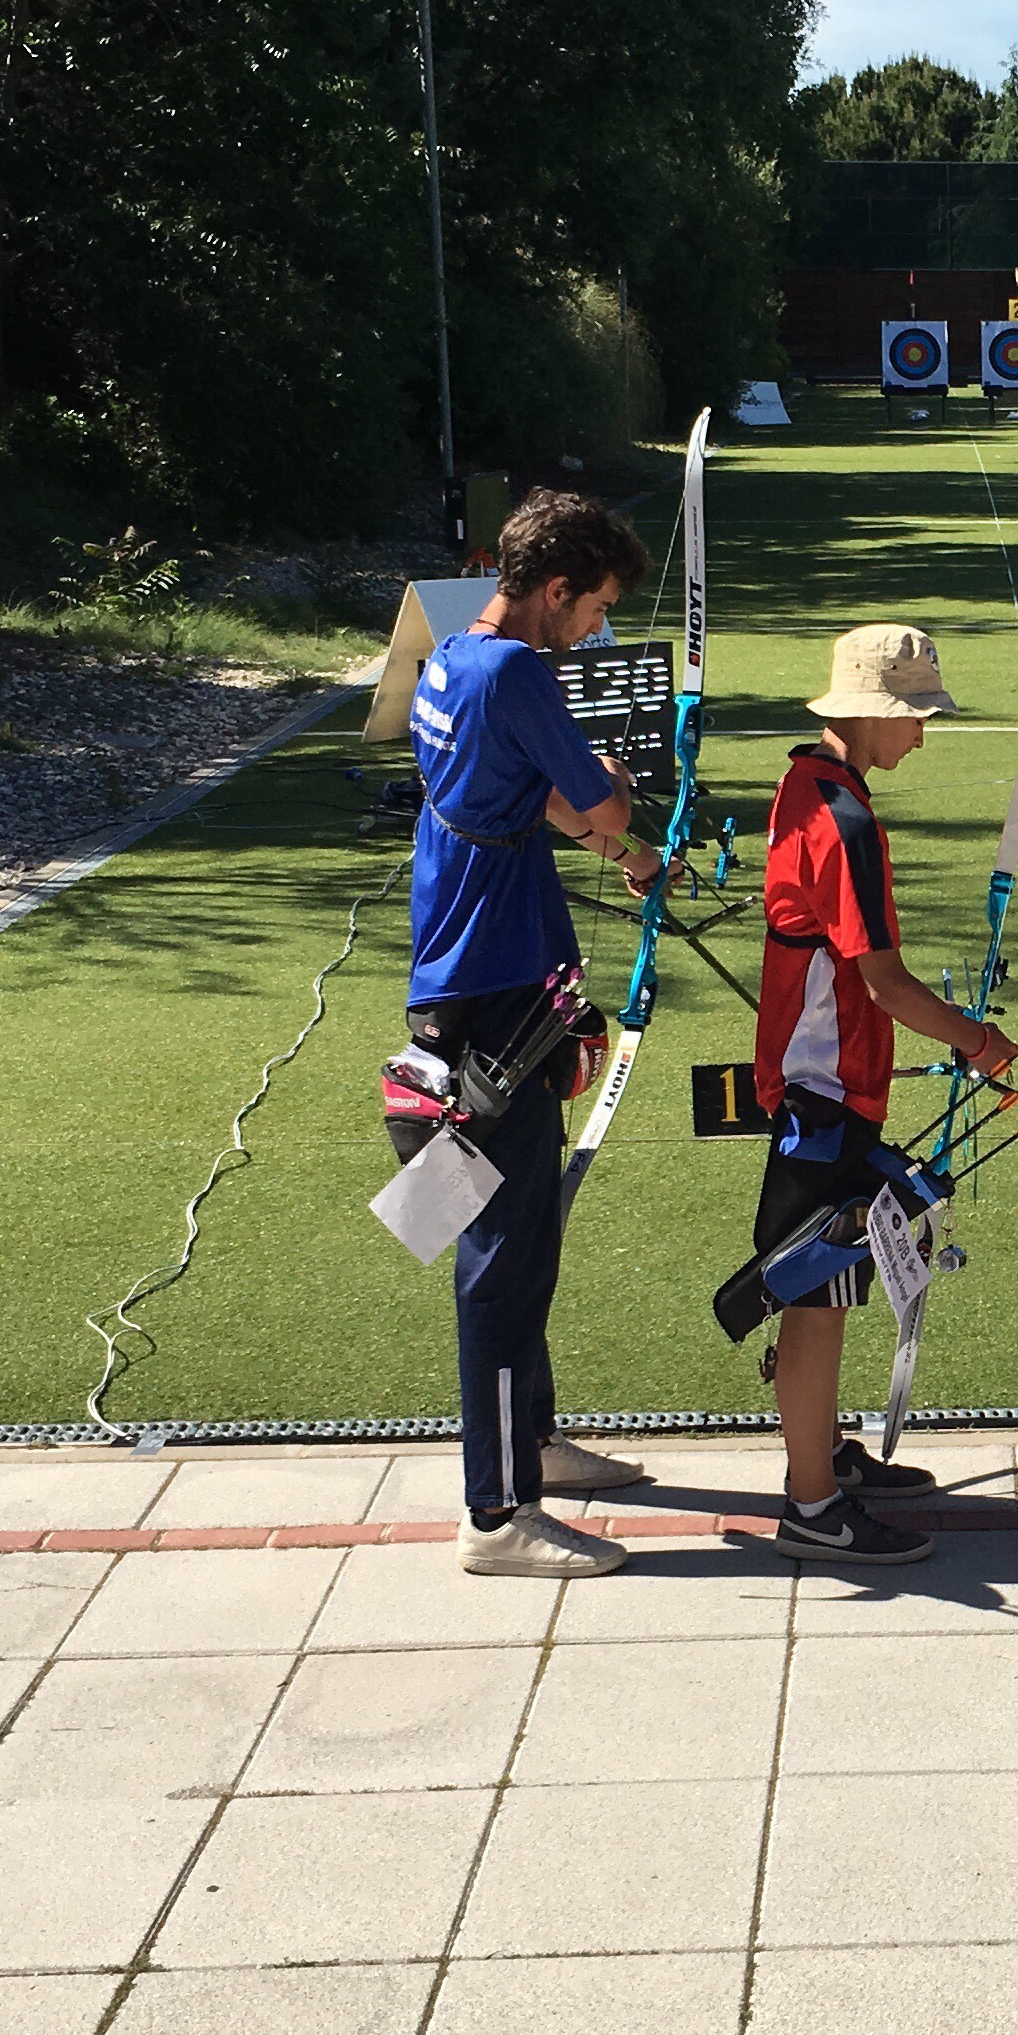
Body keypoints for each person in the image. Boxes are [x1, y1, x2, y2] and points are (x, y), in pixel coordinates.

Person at [405, 491, 669, 1579]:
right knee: (503, 1256)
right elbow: (592, 801)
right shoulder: (519, 670)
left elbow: (539, 801)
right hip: (494, 990)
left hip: (482, 971)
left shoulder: (454, 658)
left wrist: (627, 852)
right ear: (553, 588)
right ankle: (496, 1511)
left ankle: (534, 1441)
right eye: (595, 608)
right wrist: (620, 805)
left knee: (525, 1234)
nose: (597, 630)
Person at [751, 625, 1018, 1566]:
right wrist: (977, 1042)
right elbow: (884, 982)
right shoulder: (845, 821)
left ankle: (824, 1457)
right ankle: (812, 1505)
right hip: (825, 1083)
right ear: (868, 716)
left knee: (833, 1275)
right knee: (813, 1291)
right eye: (914, 718)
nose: (923, 736)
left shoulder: (809, 784)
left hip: (826, 1076)